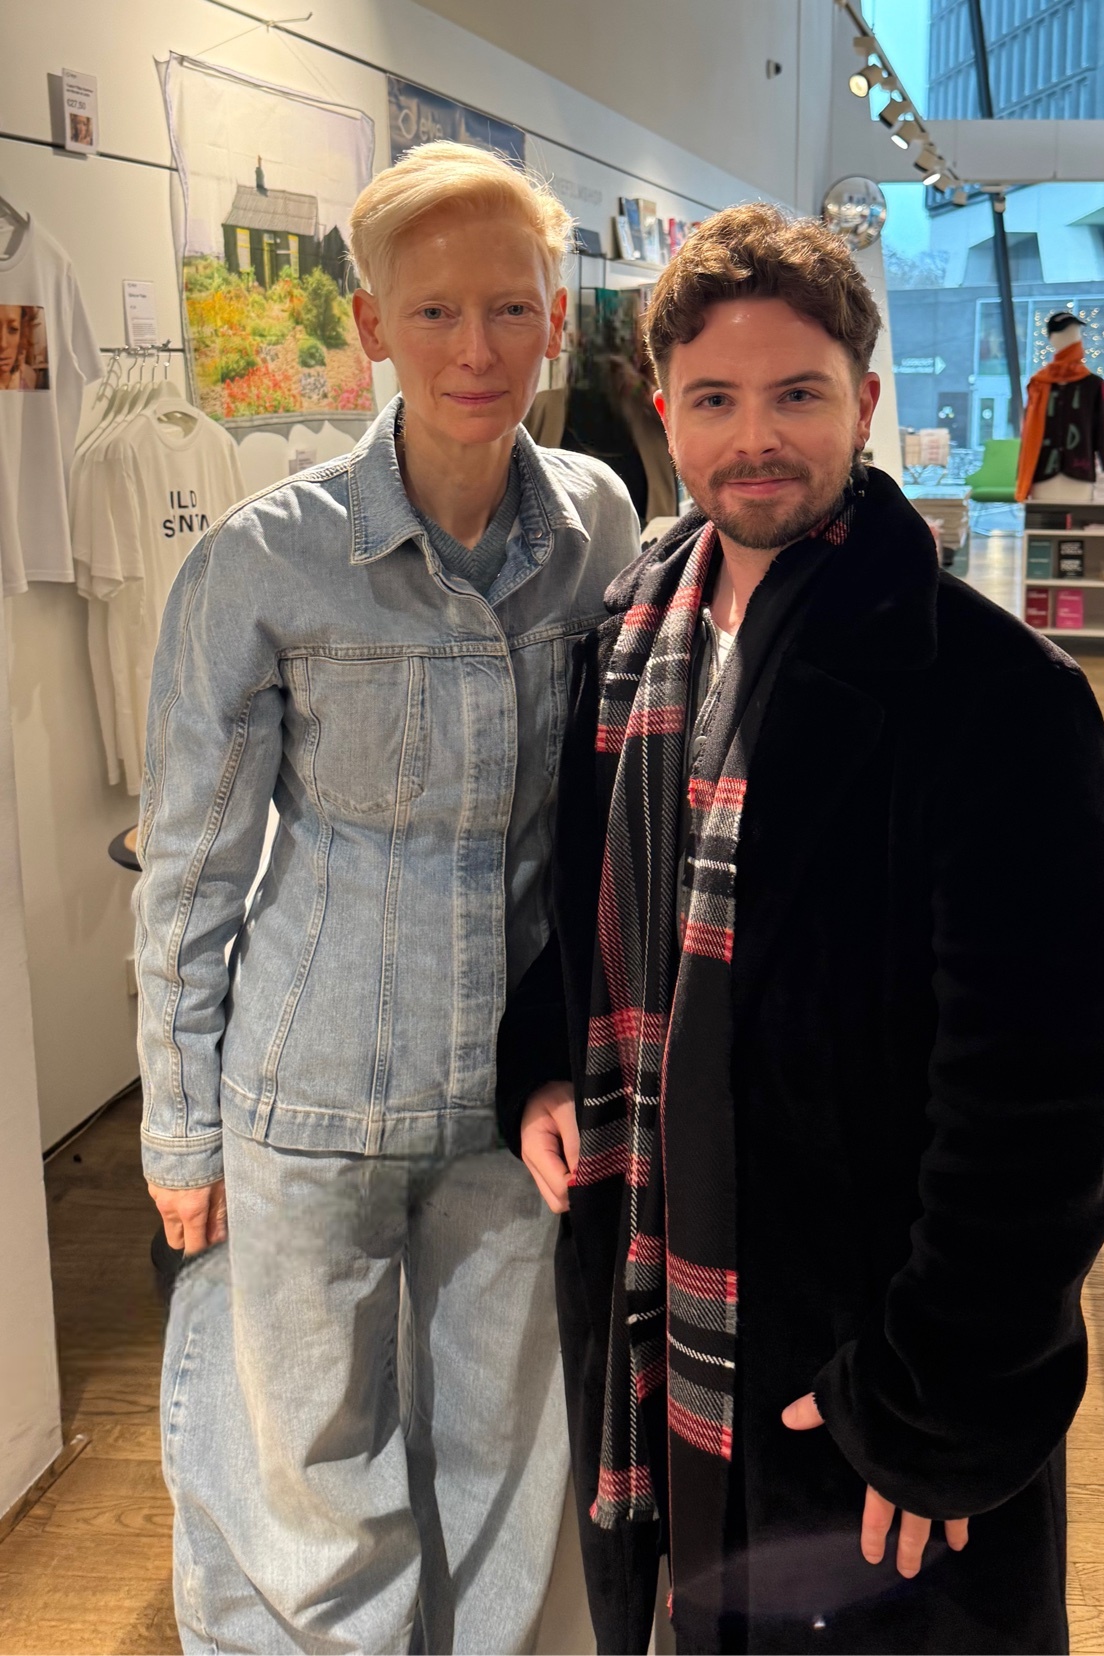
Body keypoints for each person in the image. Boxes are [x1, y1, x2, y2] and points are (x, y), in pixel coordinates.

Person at [502, 204, 1104, 1654]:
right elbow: (598, 918)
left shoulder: (988, 694)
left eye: (797, 394)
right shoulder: (625, 641)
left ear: (864, 398)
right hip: (667, 1301)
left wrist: (933, 1396)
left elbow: (1041, 1092)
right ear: (661, 410)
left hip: (861, 1347)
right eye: (714, 401)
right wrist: (540, 1065)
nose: (754, 439)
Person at [136, 141, 640, 1653]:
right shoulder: (266, 562)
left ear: (557, 318)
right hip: (309, 1092)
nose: (473, 349)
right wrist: (177, 1119)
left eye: (508, 307)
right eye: (431, 313)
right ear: (369, 328)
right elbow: (193, 862)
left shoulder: (601, 527)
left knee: (503, 1460)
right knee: (312, 1482)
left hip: (517, 1100)